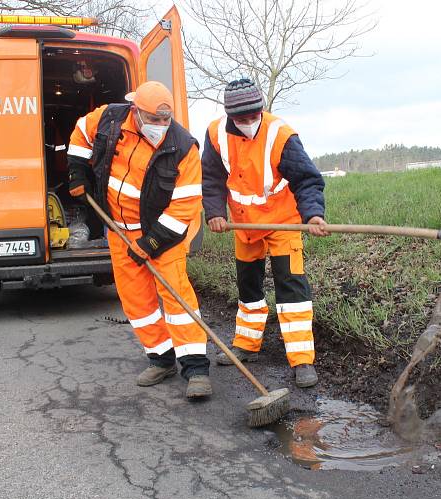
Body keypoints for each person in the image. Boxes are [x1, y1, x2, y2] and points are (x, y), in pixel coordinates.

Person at [67, 81, 211, 399]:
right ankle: (161, 359)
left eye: (165, 119)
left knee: (177, 298)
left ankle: (196, 368)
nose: (160, 126)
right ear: (136, 112)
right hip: (119, 229)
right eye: (153, 119)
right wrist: (77, 170)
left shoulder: (184, 146)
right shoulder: (109, 119)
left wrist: (150, 244)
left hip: (164, 234)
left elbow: (184, 207)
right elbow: (80, 132)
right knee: (137, 301)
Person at [201, 78, 329, 388]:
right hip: (244, 226)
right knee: (248, 287)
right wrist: (216, 213)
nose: (249, 123)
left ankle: (302, 361)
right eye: (241, 119)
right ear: (230, 116)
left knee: (292, 290)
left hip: (283, 223)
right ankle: (246, 345)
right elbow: (211, 177)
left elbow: (306, 179)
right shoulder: (216, 134)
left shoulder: (281, 134)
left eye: (253, 116)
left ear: (261, 109)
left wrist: (313, 214)